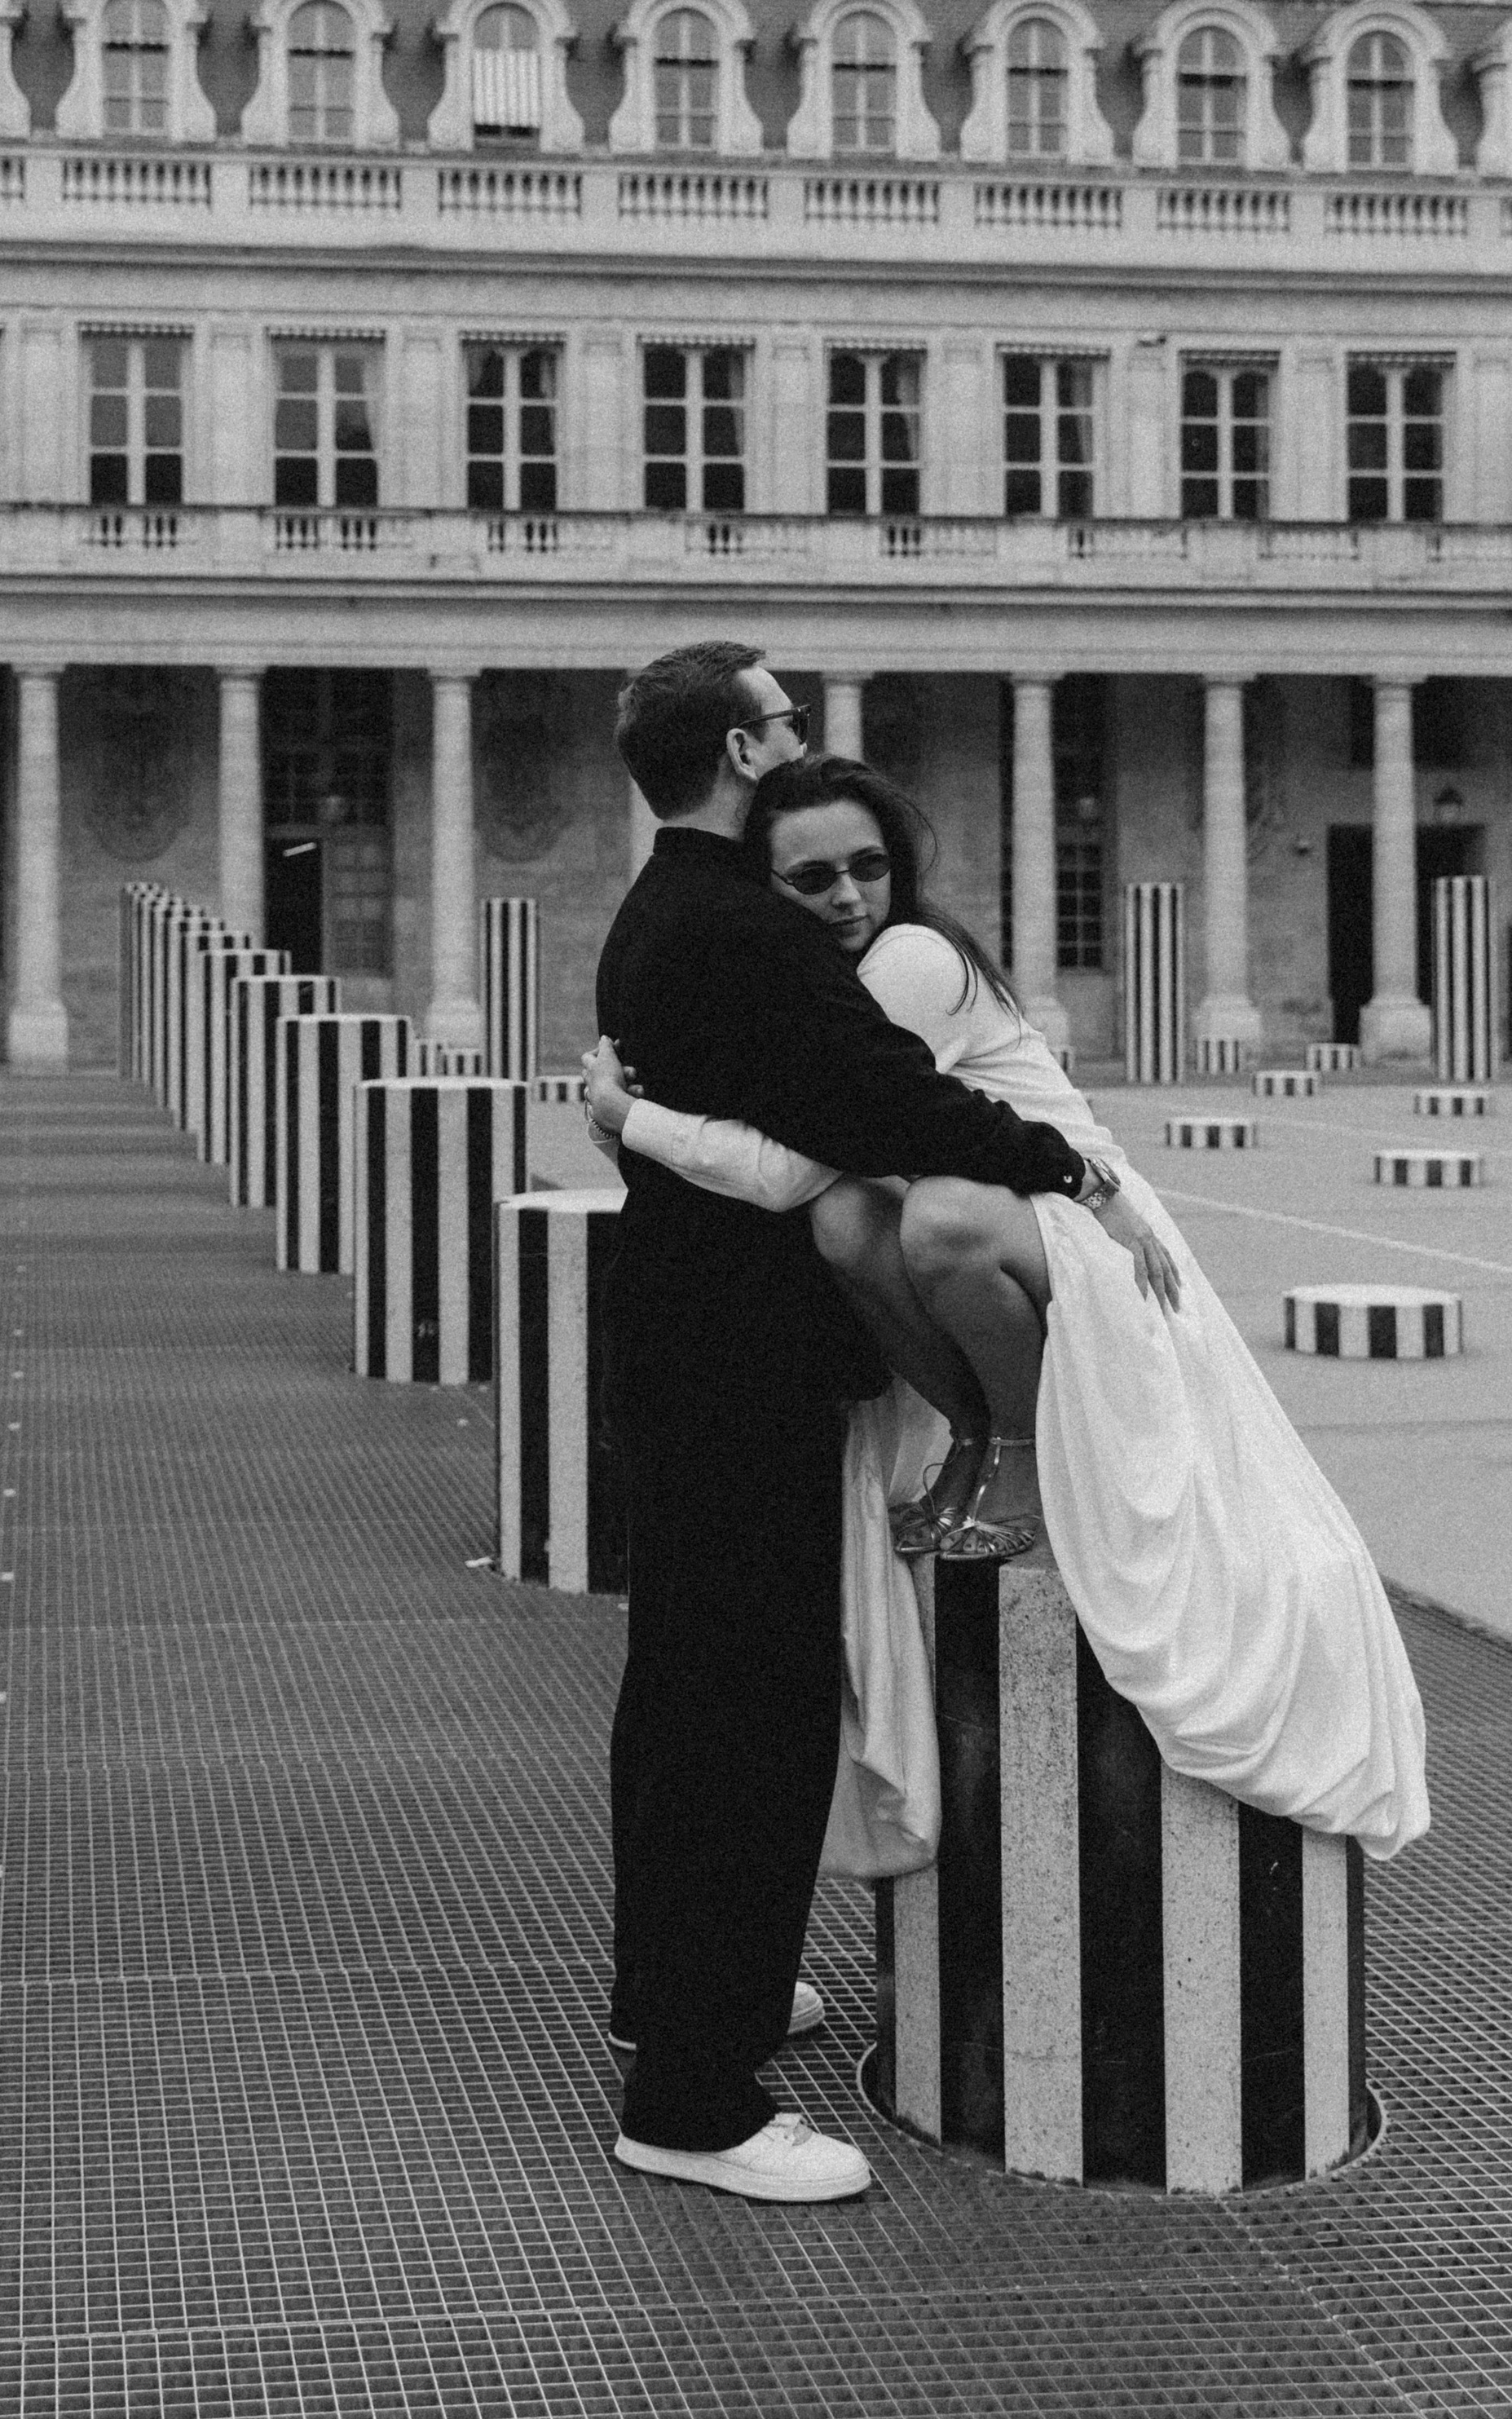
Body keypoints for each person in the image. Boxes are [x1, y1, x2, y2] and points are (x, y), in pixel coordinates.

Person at [589, 751, 1430, 1865]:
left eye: (868, 866)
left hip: (1073, 1235)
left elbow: (791, 1160)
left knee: (921, 1214)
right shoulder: (832, 980)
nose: (848, 895)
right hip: (1011, 1240)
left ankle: (1021, 1442)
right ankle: (987, 1431)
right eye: (812, 880)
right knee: (853, 1222)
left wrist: (627, 1118)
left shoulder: (912, 959)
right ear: (771, 890)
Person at [596, 647, 1109, 2206]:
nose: (804, 735)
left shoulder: (657, 912)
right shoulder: (744, 927)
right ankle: (693, 2098)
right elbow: (872, 1104)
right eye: (787, 719)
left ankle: (690, 1994)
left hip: (683, 1343)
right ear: (743, 748)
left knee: (686, 1685)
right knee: (746, 1704)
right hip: (740, 1354)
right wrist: (1067, 1163)